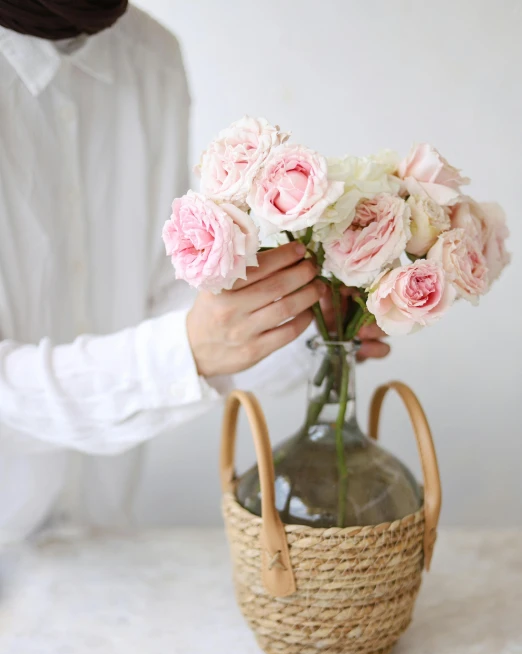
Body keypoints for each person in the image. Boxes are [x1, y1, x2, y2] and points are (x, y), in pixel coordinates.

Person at [0, 2, 389, 546]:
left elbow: (162, 291)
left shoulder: (150, 53)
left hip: (104, 531)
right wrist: (185, 353)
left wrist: (301, 322)